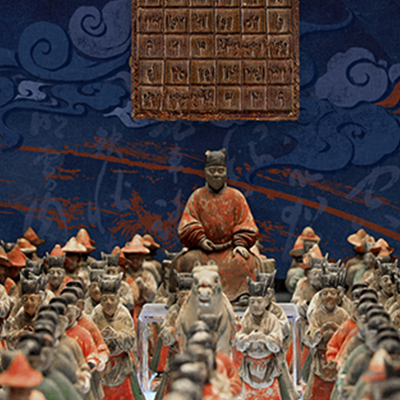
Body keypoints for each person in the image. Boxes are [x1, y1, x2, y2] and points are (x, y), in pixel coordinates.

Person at [175, 148, 261, 303]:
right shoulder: (197, 197)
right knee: (188, 260)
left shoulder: (236, 196)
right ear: (205, 172)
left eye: (220, 171)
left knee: (244, 261)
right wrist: (200, 240)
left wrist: (240, 243)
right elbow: (187, 225)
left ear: (226, 172)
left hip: (230, 250)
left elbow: (246, 224)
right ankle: (194, 295)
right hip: (204, 251)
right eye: (212, 170)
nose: (216, 175)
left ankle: (241, 294)